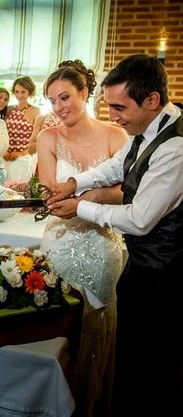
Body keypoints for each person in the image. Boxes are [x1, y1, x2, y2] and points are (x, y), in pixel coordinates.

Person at [46, 54, 183, 415]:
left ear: (152, 100)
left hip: (164, 274)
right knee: (131, 358)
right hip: (143, 266)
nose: (114, 117)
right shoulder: (149, 127)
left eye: (120, 107)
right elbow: (116, 164)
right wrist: (75, 182)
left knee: (150, 367)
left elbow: (138, 220)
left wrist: (80, 207)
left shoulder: (175, 149)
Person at [37, 60, 128, 415]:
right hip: (59, 237)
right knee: (54, 317)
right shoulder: (49, 137)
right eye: (52, 101)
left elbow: (126, 191)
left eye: (65, 98)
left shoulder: (113, 135)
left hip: (102, 240)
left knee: (95, 322)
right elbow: (46, 185)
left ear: (85, 93)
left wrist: (84, 202)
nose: (59, 108)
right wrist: (53, 199)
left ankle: (87, 401)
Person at [3, 76, 41, 181]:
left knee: (20, 193)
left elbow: (38, 141)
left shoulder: (35, 111)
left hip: (23, 159)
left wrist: (20, 153)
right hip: (6, 158)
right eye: (17, 91)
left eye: (23, 92)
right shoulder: (9, 110)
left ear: (30, 92)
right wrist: (4, 151)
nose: (19, 95)